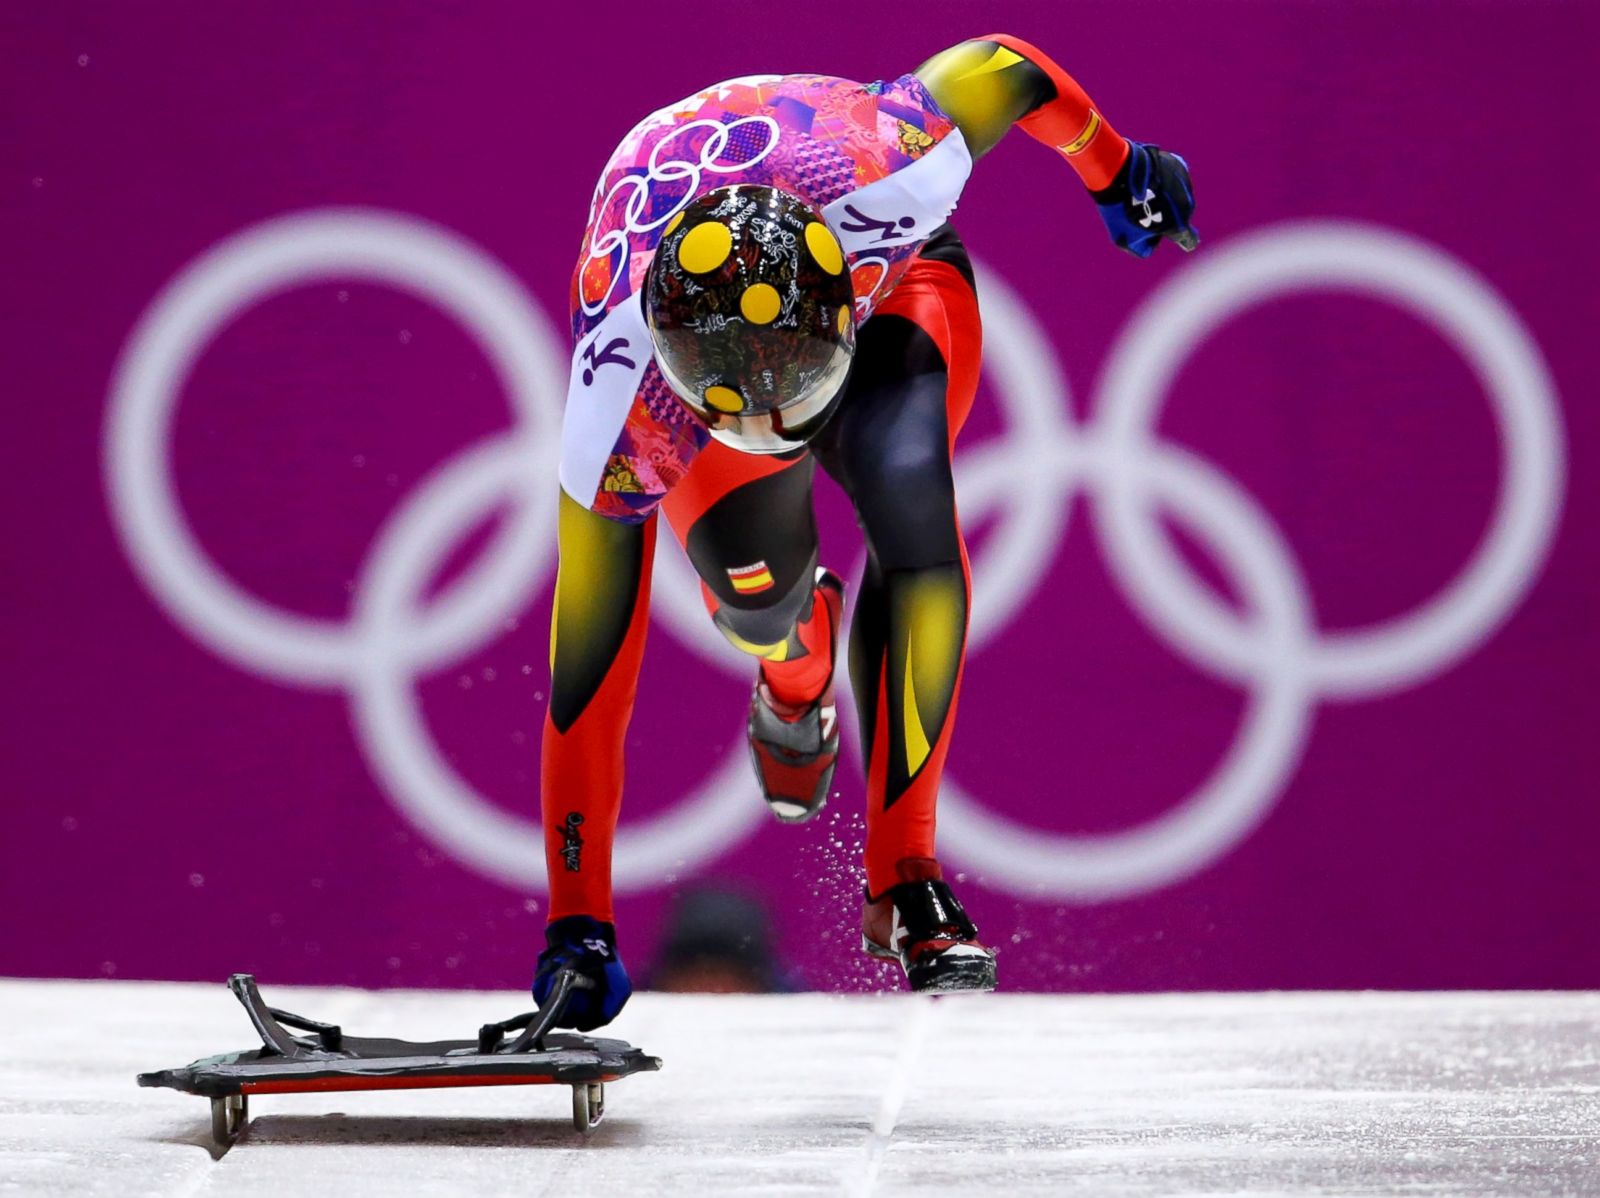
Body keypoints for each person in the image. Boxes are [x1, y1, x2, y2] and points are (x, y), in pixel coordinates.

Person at [534, 34, 1198, 1029]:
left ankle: (906, 880)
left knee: (914, 514)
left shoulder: (892, 165)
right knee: (759, 604)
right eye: (746, 418)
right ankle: (789, 670)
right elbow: (586, 680)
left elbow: (1009, 64)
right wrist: (577, 923)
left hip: (896, 289)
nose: (778, 437)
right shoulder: (617, 403)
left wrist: (1119, 165)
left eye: (790, 401)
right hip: (715, 340)